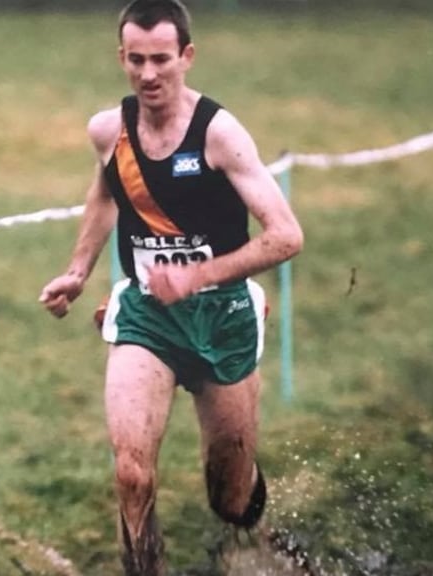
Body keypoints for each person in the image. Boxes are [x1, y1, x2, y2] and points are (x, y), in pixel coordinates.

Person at [39, 0, 303, 574]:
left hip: (222, 316)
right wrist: (78, 272)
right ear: (122, 58)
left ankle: (251, 510)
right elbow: (106, 193)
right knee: (132, 473)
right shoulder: (110, 130)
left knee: (228, 501)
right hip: (147, 314)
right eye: (136, 60)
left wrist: (197, 275)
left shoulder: (219, 134)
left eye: (161, 59)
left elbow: (285, 237)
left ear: (187, 56)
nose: (148, 74)